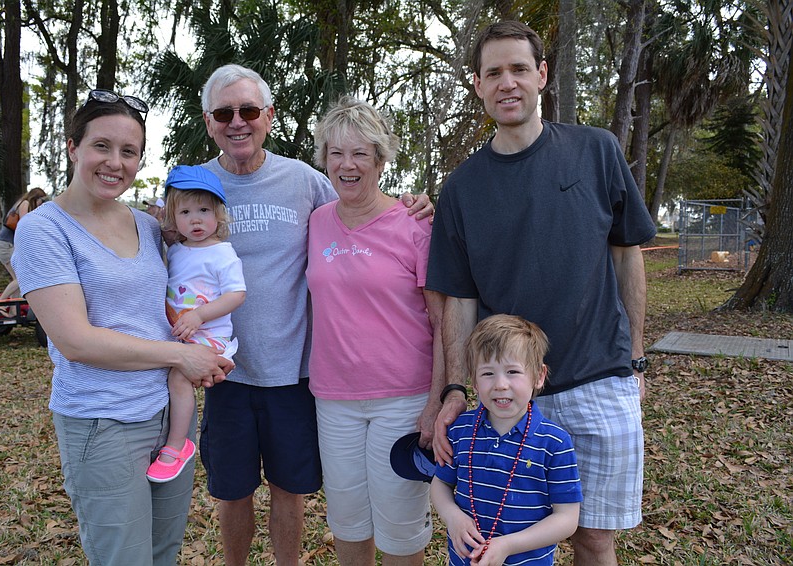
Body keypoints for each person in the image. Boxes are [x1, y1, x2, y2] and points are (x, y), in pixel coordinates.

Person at [426, 20, 656, 566]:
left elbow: (628, 254)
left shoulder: (596, 151)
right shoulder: (462, 188)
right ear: (477, 85)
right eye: (493, 72)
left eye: (519, 69)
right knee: (507, 539)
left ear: (542, 75)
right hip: (506, 392)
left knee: (595, 537)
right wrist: (458, 387)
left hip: (598, 377)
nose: (507, 82)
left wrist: (637, 357)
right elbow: (458, 300)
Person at [195, 63, 433, 566]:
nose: (238, 121)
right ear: (209, 120)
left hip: (295, 375)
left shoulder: (305, 183)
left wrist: (418, 204)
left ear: (269, 116)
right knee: (233, 492)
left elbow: (365, 208)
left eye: (249, 110)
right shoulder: (195, 188)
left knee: (291, 489)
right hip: (227, 372)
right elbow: (165, 247)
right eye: (224, 112)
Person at [11, 89, 232, 565]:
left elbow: (185, 289)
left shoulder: (148, 226)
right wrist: (180, 356)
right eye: (101, 146)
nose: (115, 162)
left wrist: (207, 350)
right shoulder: (44, 229)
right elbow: (75, 340)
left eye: (129, 152)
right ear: (73, 147)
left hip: (168, 415)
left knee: (163, 551)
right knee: (124, 558)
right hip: (102, 421)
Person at [306, 96, 444, 565]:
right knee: (346, 522)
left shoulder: (414, 223)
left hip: (402, 399)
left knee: (401, 531)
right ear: (324, 159)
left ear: (381, 160)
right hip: (334, 399)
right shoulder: (316, 222)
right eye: (336, 153)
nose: (347, 164)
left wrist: (437, 399)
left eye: (360, 153)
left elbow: (442, 320)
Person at [430, 314, 582, 565]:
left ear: (538, 376)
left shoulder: (554, 443)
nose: (500, 384)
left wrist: (507, 546)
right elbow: (440, 484)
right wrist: (452, 517)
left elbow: (567, 518)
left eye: (512, 371)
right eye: (488, 373)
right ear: (474, 381)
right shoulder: (461, 430)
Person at [145, 165, 246, 483]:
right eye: (185, 211)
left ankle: (177, 445)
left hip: (209, 337)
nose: (196, 219)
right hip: (179, 335)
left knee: (177, 377)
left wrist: (200, 315)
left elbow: (237, 295)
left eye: (204, 210)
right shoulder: (176, 251)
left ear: (218, 213)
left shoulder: (222, 253)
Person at [0, 187, 47, 314]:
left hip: (7, 244)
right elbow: (25, 226)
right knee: (21, 278)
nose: (41, 204)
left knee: (17, 279)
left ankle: (13, 312)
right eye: (41, 201)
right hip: (5, 245)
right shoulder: (25, 203)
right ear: (36, 198)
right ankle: (0, 303)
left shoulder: (23, 203)